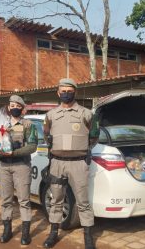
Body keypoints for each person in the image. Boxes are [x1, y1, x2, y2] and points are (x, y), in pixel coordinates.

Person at [42, 78, 99, 249]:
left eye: (69, 90)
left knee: (82, 201)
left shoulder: (86, 114)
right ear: (58, 93)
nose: (66, 93)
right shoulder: (50, 115)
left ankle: (88, 237)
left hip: (78, 164)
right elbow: (47, 137)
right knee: (56, 199)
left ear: (75, 92)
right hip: (57, 163)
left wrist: (81, 149)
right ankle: (53, 233)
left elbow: (94, 136)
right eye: (63, 90)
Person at [0, 95, 38, 245]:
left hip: (21, 166)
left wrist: (14, 153)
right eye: (12, 105)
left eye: (17, 105)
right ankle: (7, 230)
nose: (14, 108)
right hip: (4, 166)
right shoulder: (2, 124)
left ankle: (25, 233)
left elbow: (32, 146)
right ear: (8, 107)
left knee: (24, 200)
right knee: (5, 200)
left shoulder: (28, 125)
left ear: (22, 108)